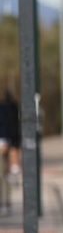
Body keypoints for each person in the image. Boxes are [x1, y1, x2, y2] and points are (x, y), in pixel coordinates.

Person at [0, 88, 18, 216]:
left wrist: (3, 141)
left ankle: (5, 204)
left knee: (2, 175)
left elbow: (6, 126)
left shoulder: (5, 107)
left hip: (2, 144)